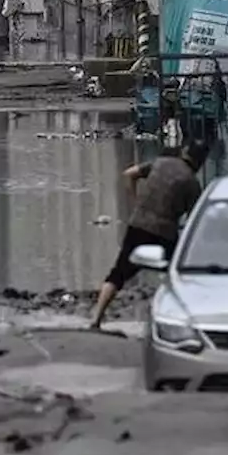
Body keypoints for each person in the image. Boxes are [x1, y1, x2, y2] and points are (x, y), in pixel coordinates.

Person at [88, 139, 210, 329]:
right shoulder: (191, 183)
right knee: (176, 276)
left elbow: (129, 174)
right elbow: (194, 218)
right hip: (165, 233)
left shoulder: (160, 163)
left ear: (185, 151)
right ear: (201, 162)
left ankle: (96, 319)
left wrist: (135, 202)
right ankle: (176, 320)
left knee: (118, 273)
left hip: (138, 224)